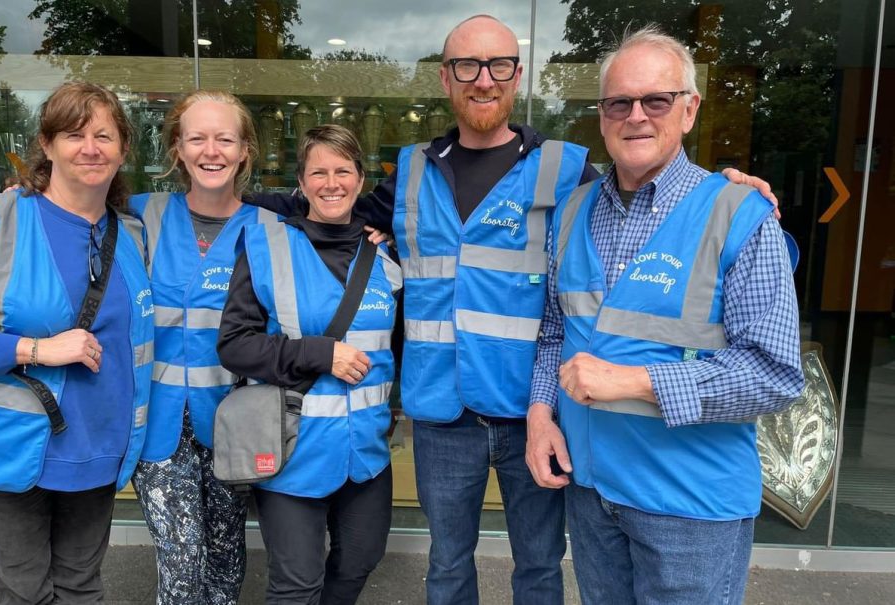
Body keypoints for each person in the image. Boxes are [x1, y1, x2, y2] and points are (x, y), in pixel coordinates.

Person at [250, 14, 778, 605]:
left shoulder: (567, 169)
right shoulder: (411, 173)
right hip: (441, 415)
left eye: (498, 65)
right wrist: (218, 198)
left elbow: (653, 203)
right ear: (446, 79)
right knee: (447, 566)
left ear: (517, 75)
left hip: (532, 411)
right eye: (466, 66)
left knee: (539, 567)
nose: (483, 79)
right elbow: (328, 206)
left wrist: (725, 186)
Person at [525, 25, 805, 604]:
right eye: (619, 103)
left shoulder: (740, 215)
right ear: (602, 116)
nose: (636, 117)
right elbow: (556, 330)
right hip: (593, 490)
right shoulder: (574, 211)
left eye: (656, 100)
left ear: (689, 109)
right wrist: (539, 414)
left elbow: (774, 374)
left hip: (689, 506)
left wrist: (636, 381)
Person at [0, 82, 154, 604]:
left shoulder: (135, 234)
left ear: (122, 151)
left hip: (99, 449)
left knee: (81, 588)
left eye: (105, 135)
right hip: (5, 450)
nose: (91, 148)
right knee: (27, 593)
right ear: (46, 146)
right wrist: (32, 349)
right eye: (74, 134)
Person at [217, 124, 402, 605]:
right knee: (296, 585)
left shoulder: (385, 258)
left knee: (359, 560)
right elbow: (234, 346)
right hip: (292, 451)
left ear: (360, 180)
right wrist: (320, 354)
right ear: (301, 182)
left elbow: (397, 347)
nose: (331, 183)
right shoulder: (266, 247)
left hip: (365, 453)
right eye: (318, 172)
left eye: (343, 170)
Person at [129, 90, 272, 605]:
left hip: (232, 417)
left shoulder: (269, 229)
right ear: (177, 149)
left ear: (244, 152)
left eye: (225, 138)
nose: (211, 151)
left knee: (227, 552)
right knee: (182, 557)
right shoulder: (139, 215)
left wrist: (372, 234)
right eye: (197, 138)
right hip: (159, 419)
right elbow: (68, 208)